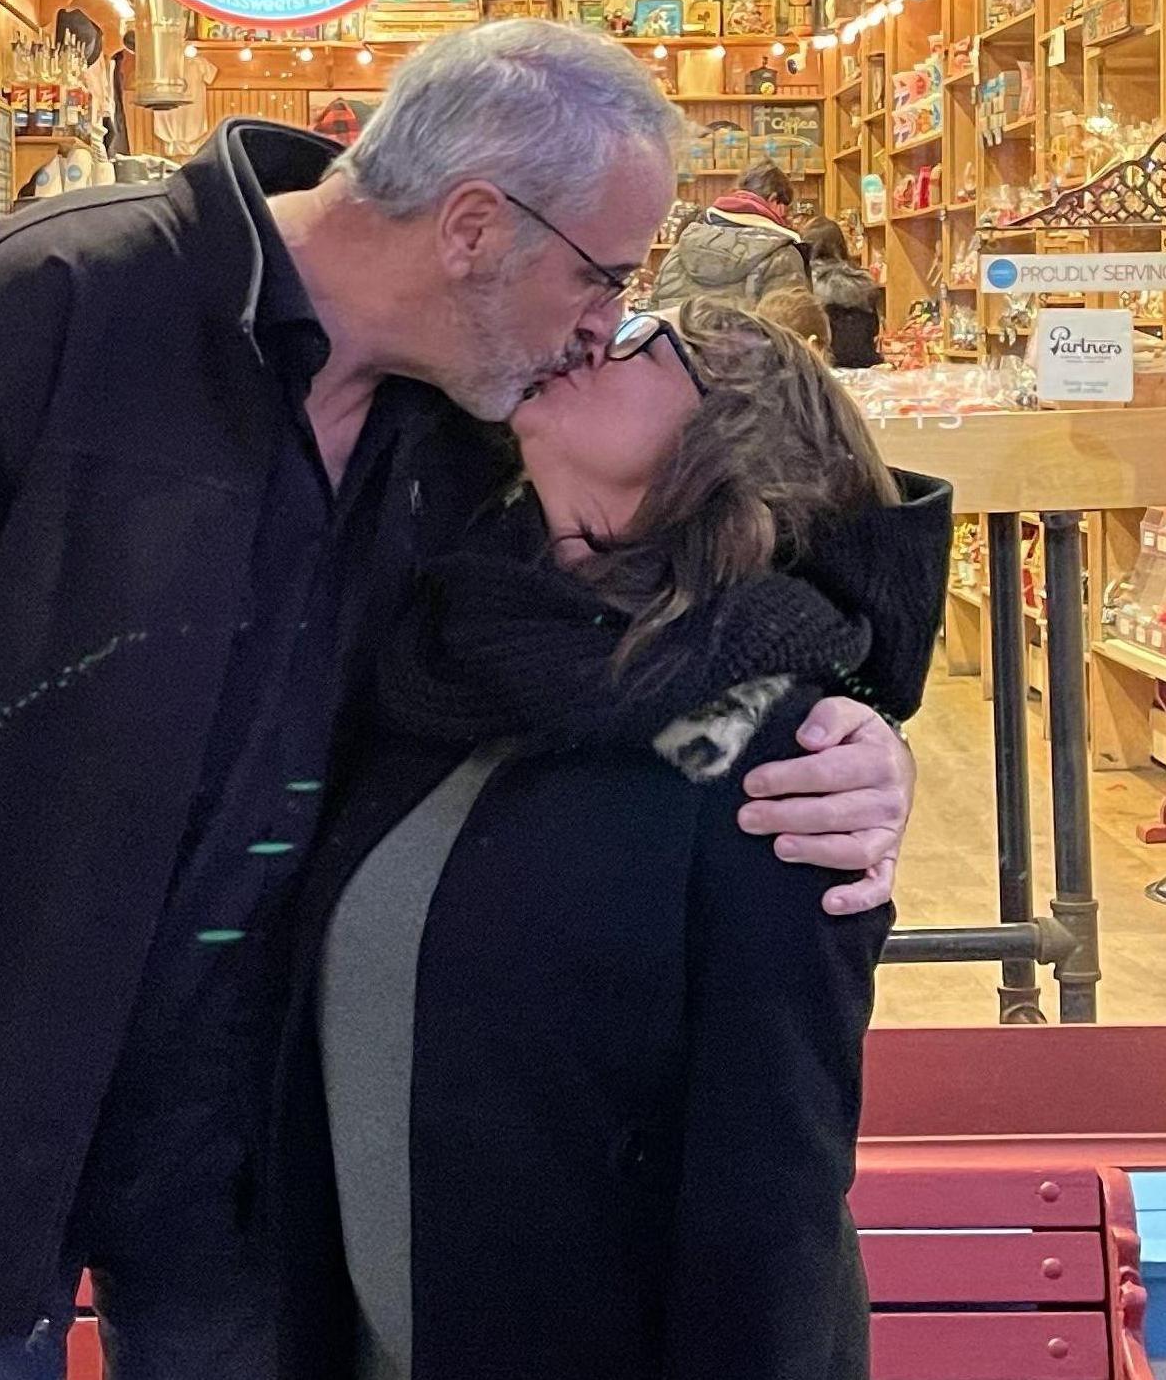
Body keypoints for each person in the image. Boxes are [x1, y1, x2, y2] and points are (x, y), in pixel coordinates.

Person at [0, 22, 922, 1380]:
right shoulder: (32, 307)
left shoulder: (470, 425)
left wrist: (852, 711)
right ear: (470, 226)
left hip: (260, 1166)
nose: (601, 322)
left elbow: (751, 532)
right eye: (601, 275)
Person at [275, 300, 952, 1380]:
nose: (591, 335)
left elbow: (769, 1202)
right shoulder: (445, 658)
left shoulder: (772, 754)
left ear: (736, 442)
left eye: (650, 337)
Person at [651, 159, 810, 310]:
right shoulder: (782, 255)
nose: (786, 218)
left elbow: (657, 315)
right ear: (774, 200)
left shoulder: (681, 247)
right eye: (785, 209)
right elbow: (792, 327)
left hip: (677, 338)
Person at [802, 215, 883, 370]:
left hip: (823, 371)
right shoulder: (863, 284)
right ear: (841, 245)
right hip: (865, 369)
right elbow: (873, 330)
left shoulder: (803, 285)